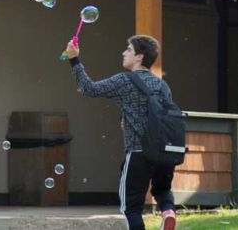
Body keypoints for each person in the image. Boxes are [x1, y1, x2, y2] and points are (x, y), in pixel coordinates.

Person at [65, 35, 177, 230]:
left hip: (137, 152)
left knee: (131, 208)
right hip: (163, 152)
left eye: (128, 50)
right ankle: (168, 211)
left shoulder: (124, 80)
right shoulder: (162, 85)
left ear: (139, 57)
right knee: (162, 188)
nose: (123, 53)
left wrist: (74, 59)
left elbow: (89, 88)